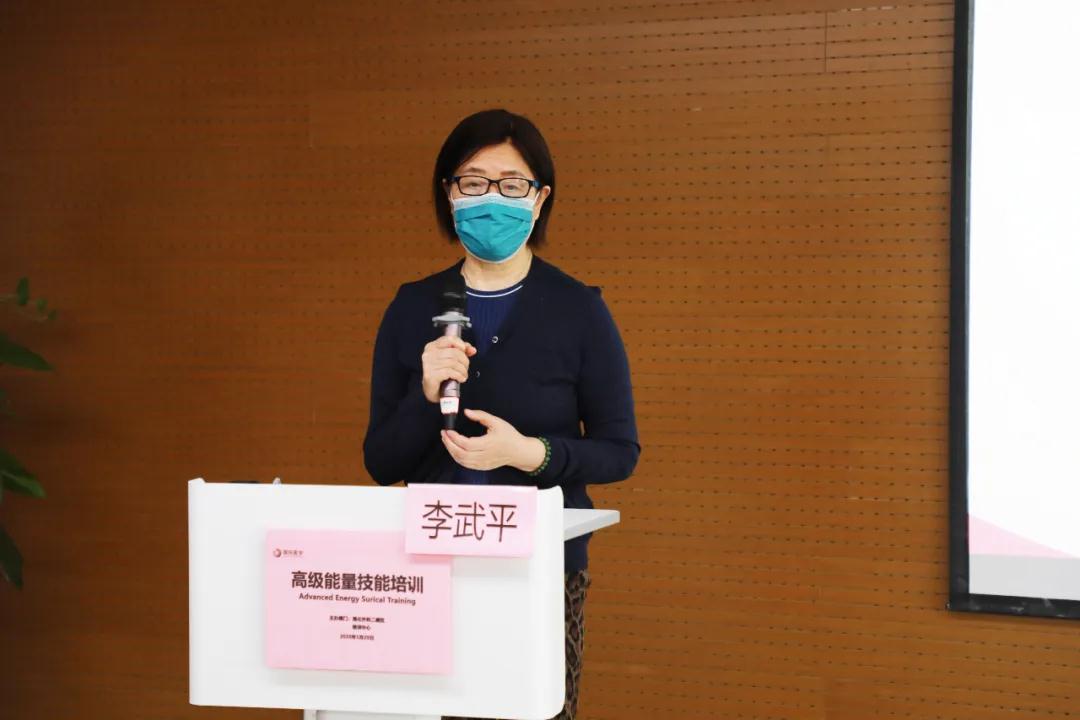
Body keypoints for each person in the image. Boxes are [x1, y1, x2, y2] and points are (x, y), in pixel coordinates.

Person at [363, 108, 640, 720]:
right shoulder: (412, 306)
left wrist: (529, 454)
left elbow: (620, 452)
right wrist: (425, 397)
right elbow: (380, 462)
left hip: (538, 569)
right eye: (474, 181)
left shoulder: (578, 309)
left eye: (512, 184)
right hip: (432, 568)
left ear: (539, 200)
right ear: (449, 193)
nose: (492, 197)